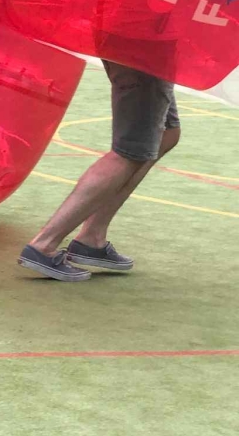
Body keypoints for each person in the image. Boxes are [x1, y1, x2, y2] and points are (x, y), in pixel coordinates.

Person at [16, 62, 179, 282]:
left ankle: (91, 238)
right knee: (130, 152)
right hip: (147, 46)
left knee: (167, 134)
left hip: (148, 44)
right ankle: (43, 245)